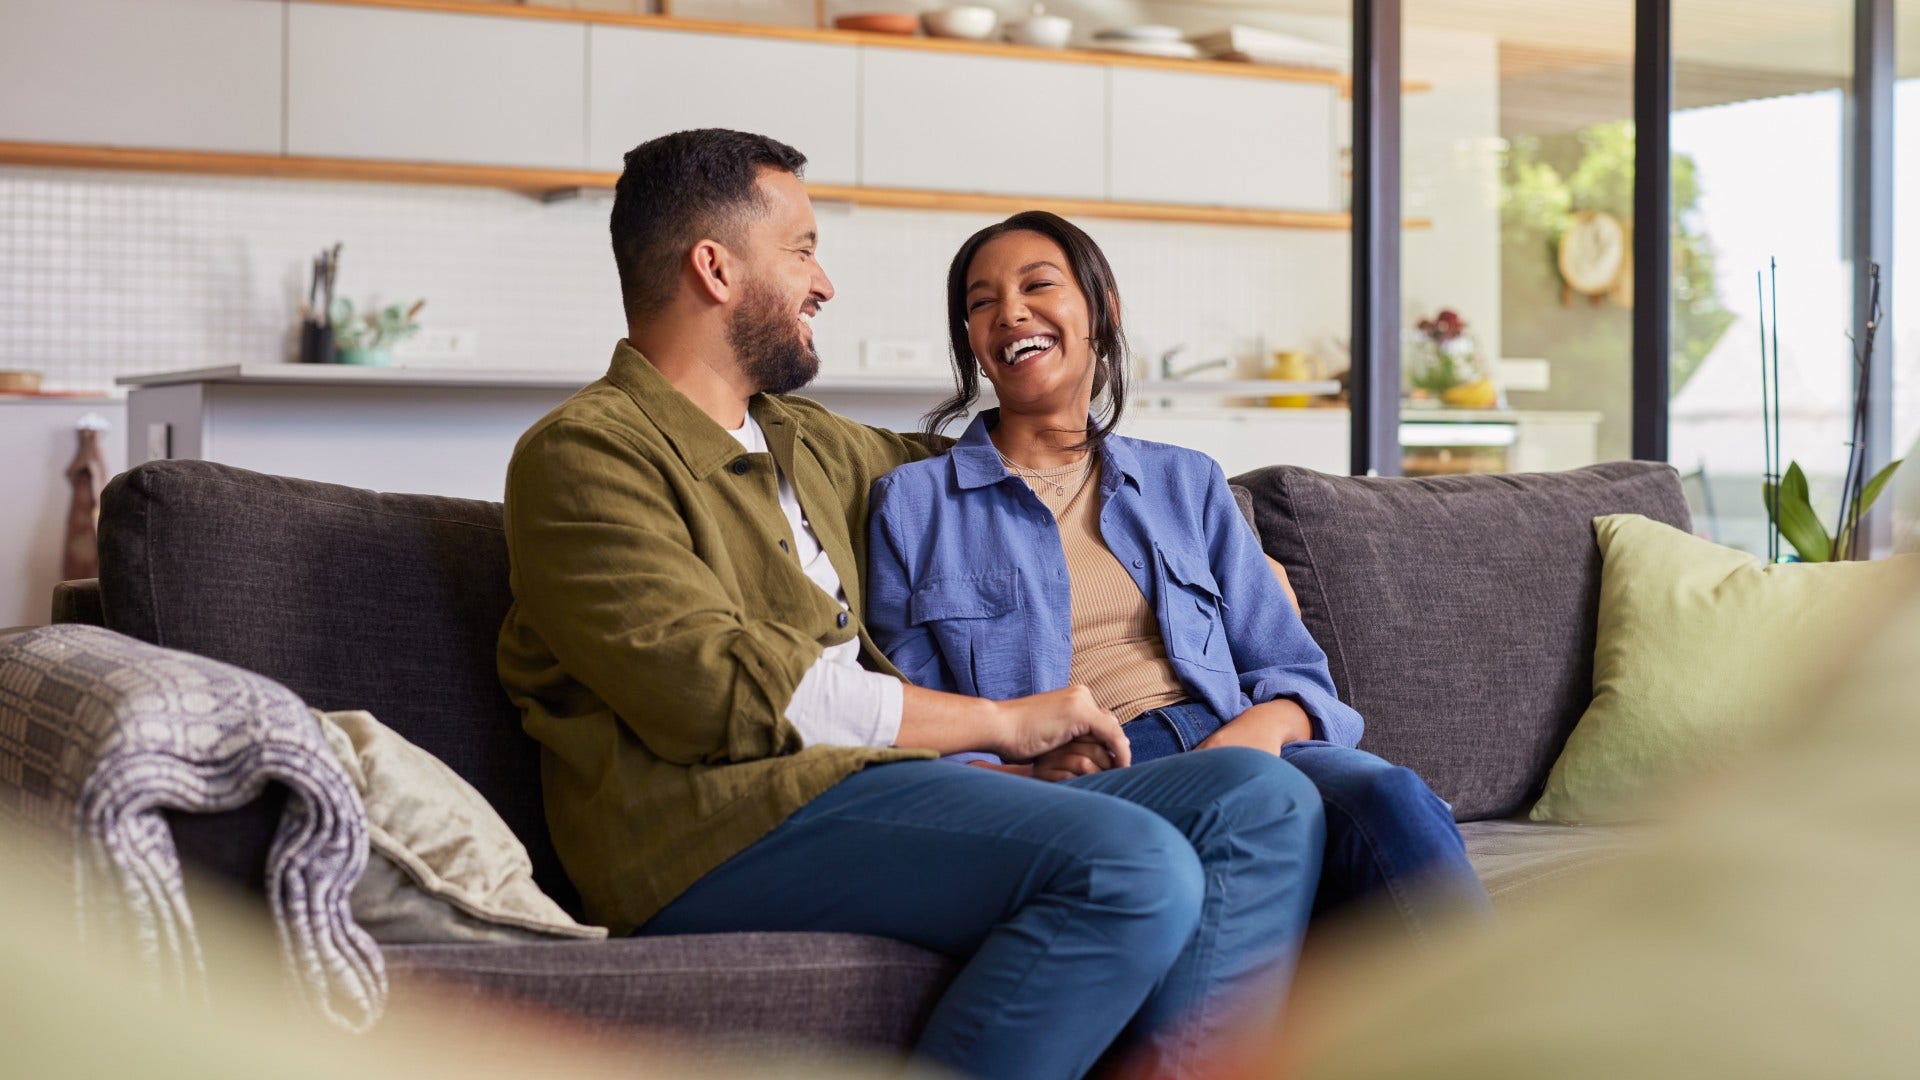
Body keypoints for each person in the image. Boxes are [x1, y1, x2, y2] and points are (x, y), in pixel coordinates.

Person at [497, 130, 1327, 1080]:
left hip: (873, 790)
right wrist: (999, 723)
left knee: (1260, 798)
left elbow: (1008, 466)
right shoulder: (584, 455)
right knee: (1132, 867)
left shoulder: (807, 442)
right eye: (804, 247)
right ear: (715, 269)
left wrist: (1209, 532)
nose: (825, 283)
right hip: (717, 826)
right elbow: (710, 688)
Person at [865, 211, 1491, 939]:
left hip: (1236, 738)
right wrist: (1024, 779)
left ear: (1101, 310)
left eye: (1039, 285)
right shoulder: (913, 505)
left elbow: (1295, 672)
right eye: (981, 302)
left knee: (1390, 797)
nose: (1010, 312)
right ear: (972, 341)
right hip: (1091, 773)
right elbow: (912, 715)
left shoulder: (1187, 482)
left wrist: (1256, 734)